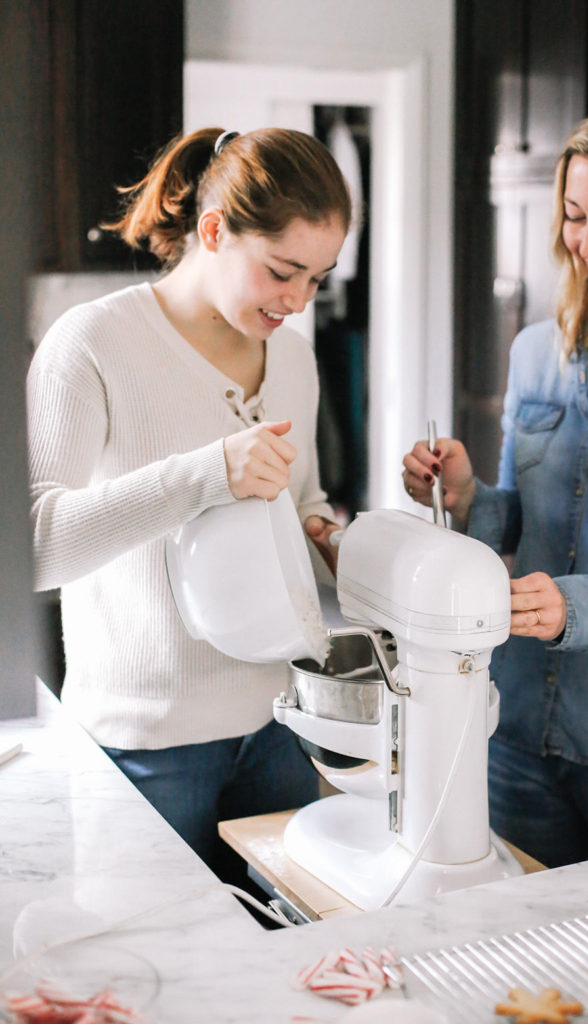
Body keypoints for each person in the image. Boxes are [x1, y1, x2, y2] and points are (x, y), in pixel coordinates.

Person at [27, 126, 351, 886]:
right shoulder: (92, 344)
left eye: (318, 279)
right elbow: (32, 548)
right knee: (155, 983)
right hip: (142, 748)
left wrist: (331, 540)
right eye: (282, 272)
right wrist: (207, 473)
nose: (298, 302)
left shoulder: (294, 358)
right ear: (213, 231)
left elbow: (300, 501)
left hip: (276, 729)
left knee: (284, 975)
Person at [402, 94, 588, 868]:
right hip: (514, 730)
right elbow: (521, 523)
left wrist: (576, 607)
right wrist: (464, 498)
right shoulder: (535, 352)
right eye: (573, 214)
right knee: (517, 957)